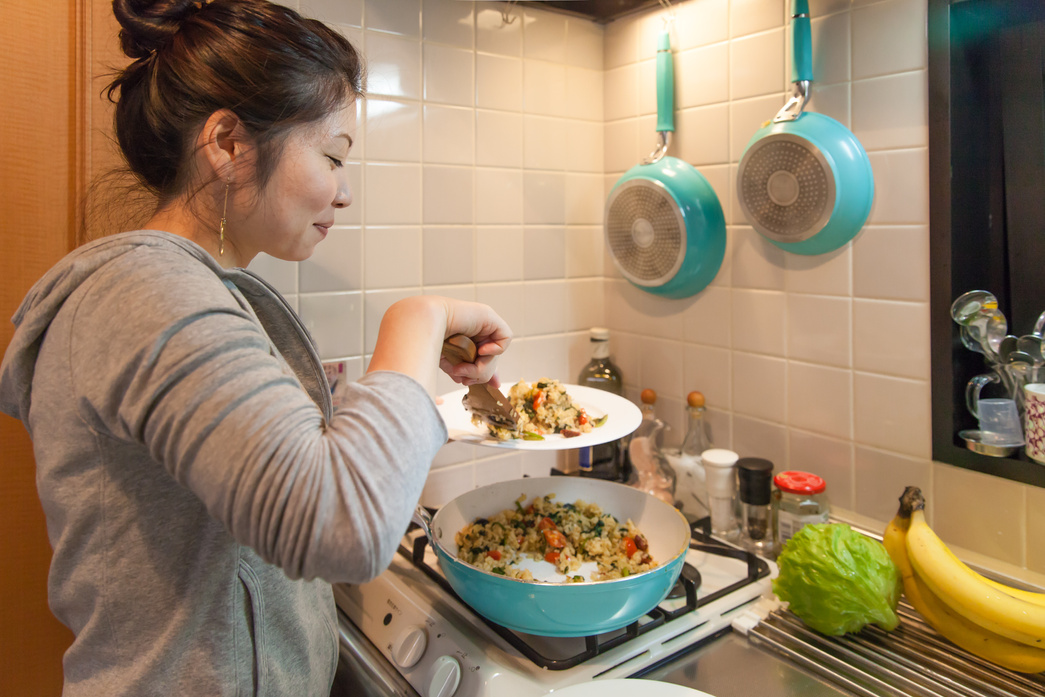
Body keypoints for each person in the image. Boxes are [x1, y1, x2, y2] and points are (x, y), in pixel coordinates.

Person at [0, 1, 511, 695]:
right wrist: (416, 320)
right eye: (332, 154)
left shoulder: (183, 290)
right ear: (229, 144)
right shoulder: (145, 290)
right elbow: (340, 523)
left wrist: (416, 374)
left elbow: (291, 467)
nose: (345, 190)